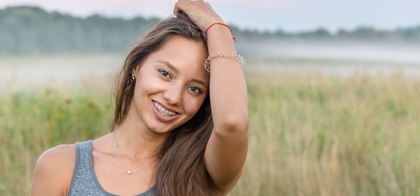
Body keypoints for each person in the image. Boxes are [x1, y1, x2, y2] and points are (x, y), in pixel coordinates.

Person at [30, 0, 248, 195]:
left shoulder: (202, 171)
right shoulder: (61, 167)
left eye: (194, 89)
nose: (173, 97)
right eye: (165, 73)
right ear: (137, 66)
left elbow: (232, 122)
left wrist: (217, 28)